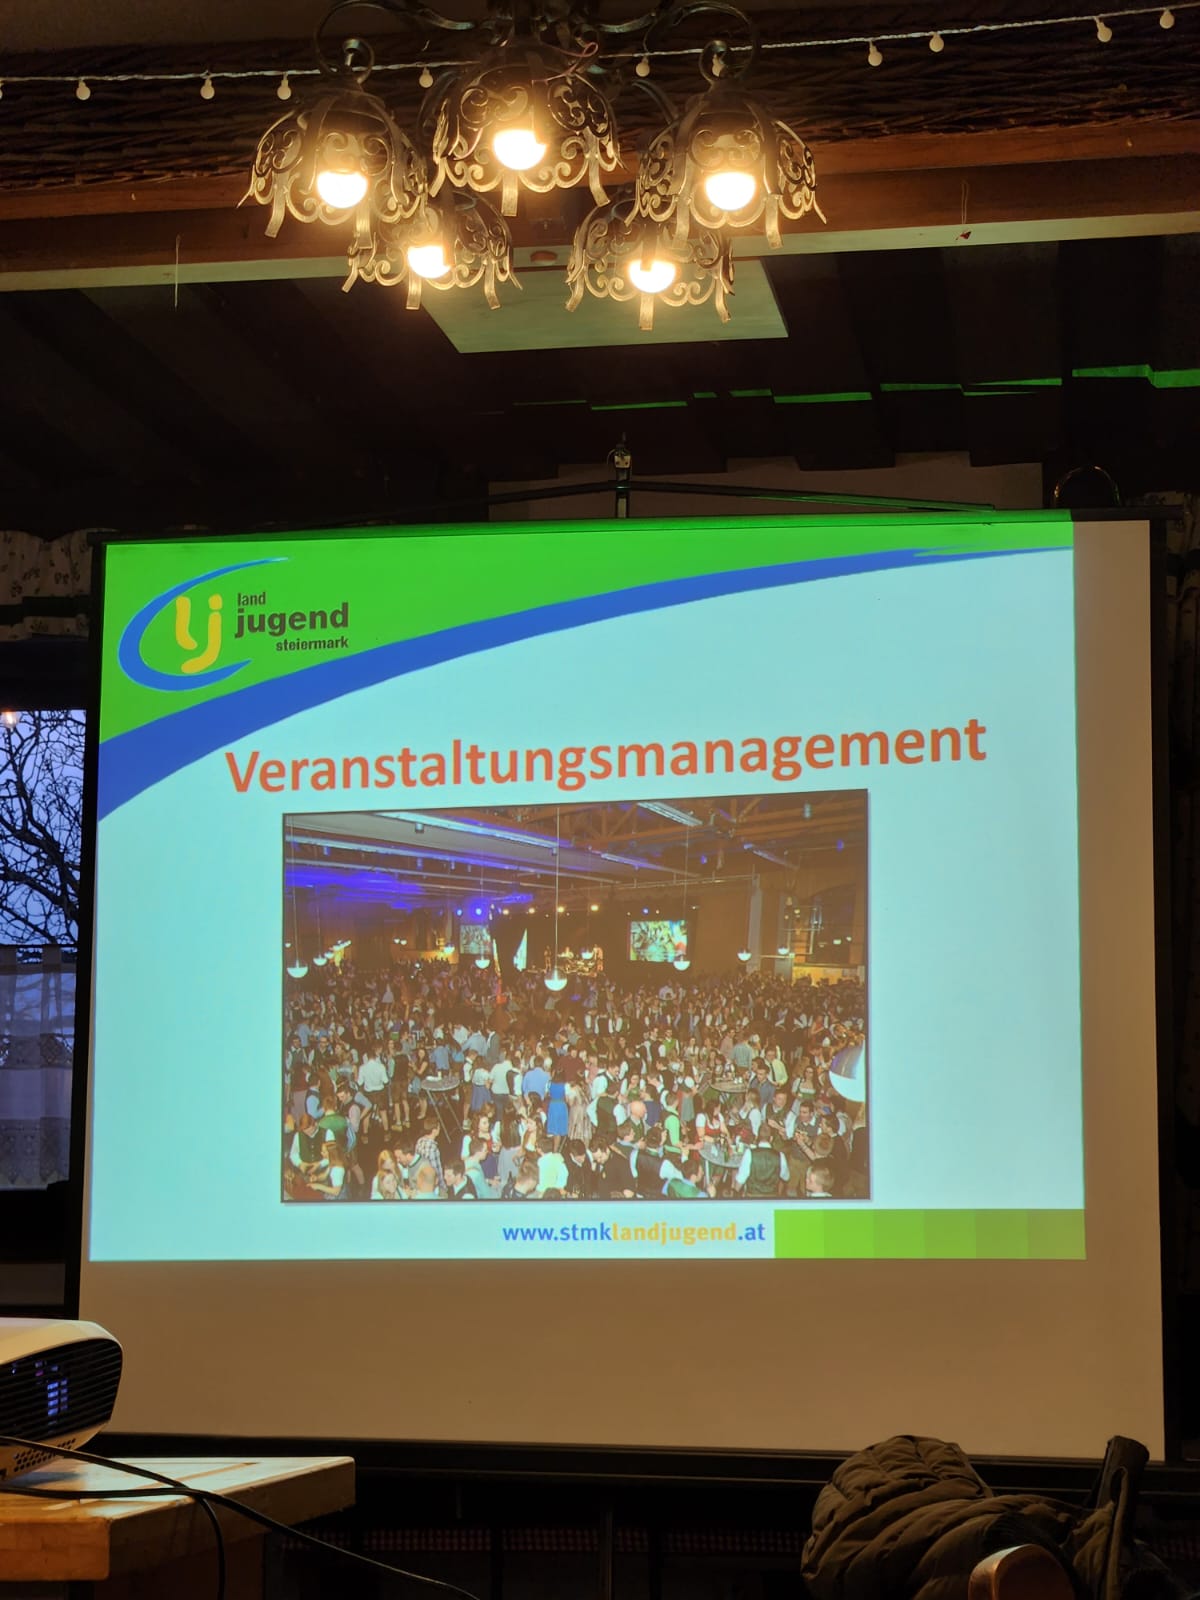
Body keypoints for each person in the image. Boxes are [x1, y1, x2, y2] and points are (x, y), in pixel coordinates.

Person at [736, 1130, 789, 1198]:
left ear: (757, 1137)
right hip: (772, 1196)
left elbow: (741, 1178)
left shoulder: (749, 1153)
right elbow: (786, 1177)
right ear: (771, 1138)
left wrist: (735, 1192)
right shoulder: (780, 1155)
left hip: (752, 1196)